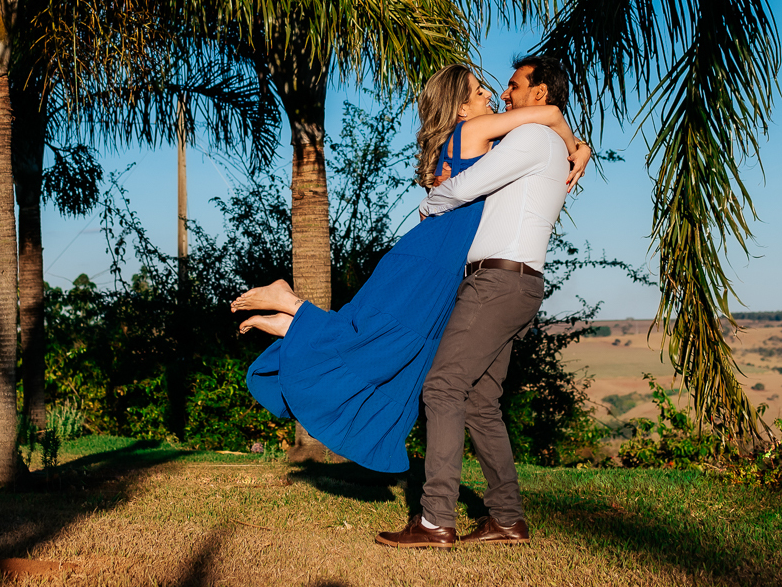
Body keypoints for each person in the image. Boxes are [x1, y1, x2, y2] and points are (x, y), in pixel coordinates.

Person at [232, 62, 590, 473]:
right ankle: (292, 305)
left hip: (440, 259)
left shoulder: (478, 136)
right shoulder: (474, 132)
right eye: (479, 93)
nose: (491, 96)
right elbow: (552, 114)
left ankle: (296, 324)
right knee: (389, 338)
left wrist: (576, 146)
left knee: (402, 346)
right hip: (432, 257)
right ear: (460, 109)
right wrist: (576, 145)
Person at [375, 56, 574, 549]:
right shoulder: (545, 142)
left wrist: (429, 204)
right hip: (517, 285)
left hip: (496, 283)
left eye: (513, 86)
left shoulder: (531, 139)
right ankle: (506, 518)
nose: (505, 94)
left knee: (442, 387)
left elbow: (467, 186)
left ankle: (435, 519)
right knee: (482, 402)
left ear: (540, 94)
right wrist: (580, 145)